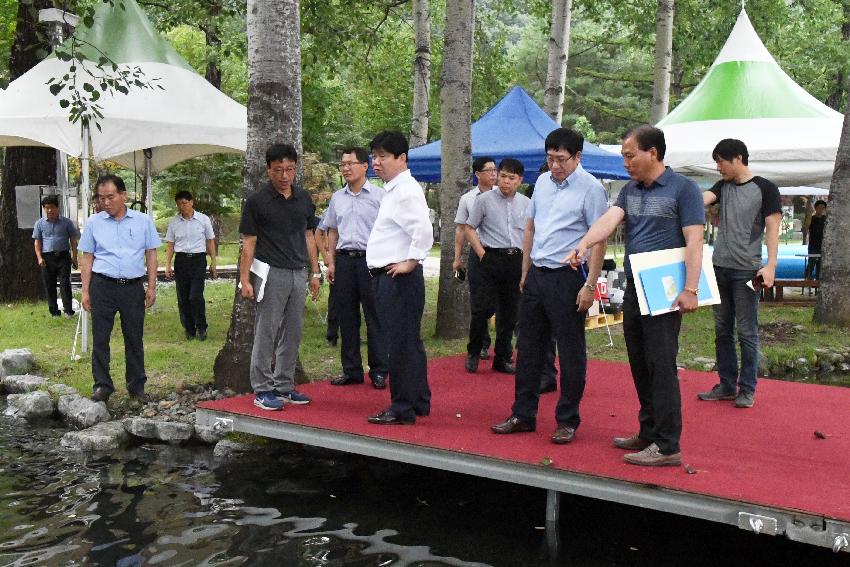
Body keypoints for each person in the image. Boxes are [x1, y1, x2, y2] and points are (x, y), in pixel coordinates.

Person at [566, 125, 705, 466]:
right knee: (640, 364)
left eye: (630, 155)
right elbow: (609, 221)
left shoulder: (684, 189)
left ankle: (668, 446)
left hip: (666, 292)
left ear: (652, 153)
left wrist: (690, 288)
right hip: (634, 287)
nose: (625, 162)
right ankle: (648, 431)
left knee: (661, 366)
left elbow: (695, 240)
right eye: (624, 157)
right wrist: (584, 244)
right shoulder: (630, 190)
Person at [491, 128, 608, 445]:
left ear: (578, 157)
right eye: (550, 158)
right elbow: (531, 226)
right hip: (537, 275)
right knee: (528, 348)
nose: (555, 165)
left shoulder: (591, 189)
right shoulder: (542, 182)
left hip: (567, 277)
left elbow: (599, 240)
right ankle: (522, 414)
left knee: (570, 351)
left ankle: (567, 419)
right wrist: (525, 268)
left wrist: (589, 284)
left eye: (561, 159)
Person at [697, 139, 781, 409]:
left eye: (721, 161)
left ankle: (747, 389)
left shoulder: (765, 188)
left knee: (747, 331)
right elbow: (701, 201)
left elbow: (772, 228)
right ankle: (725, 384)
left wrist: (770, 266)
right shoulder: (723, 187)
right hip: (719, 267)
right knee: (722, 330)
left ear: (738, 159)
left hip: (746, 269)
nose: (717, 167)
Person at [239, 143, 322, 411]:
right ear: (268, 170)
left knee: (293, 330)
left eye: (289, 169)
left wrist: (315, 271)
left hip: (299, 271)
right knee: (267, 329)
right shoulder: (257, 201)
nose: (285, 176)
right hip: (271, 271)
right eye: (278, 170)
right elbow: (249, 242)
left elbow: (310, 236)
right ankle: (262, 388)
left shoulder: (303, 198)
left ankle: (284, 385)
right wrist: (244, 279)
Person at [365, 130, 434, 425]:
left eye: (383, 156)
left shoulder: (405, 190)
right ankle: (418, 400)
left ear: (402, 158)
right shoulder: (394, 189)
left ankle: (402, 407)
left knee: (399, 344)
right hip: (389, 276)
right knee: (408, 341)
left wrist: (412, 260)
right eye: (374, 156)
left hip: (397, 278)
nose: (376, 163)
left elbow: (423, 230)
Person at [79, 174, 161, 403]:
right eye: (101, 198)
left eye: (110, 197)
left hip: (132, 287)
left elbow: (151, 253)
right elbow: (87, 257)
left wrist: (152, 286)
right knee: (101, 338)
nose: (105, 202)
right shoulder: (94, 222)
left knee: (134, 337)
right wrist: (85, 291)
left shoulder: (143, 221)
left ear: (123, 195)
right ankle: (102, 385)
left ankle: (136, 386)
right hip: (102, 285)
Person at [323, 147, 388, 390]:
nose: (346, 168)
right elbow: (332, 230)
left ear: (365, 166)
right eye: (343, 164)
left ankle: (379, 370)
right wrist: (331, 262)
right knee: (346, 317)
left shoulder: (380, 196)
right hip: (344, 261)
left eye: (351, 163)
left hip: (371, 261)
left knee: (375, 316)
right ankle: (351, 370)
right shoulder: (337, 197)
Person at [463, 158, 530, 374]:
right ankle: (474, 351)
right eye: (502, 176)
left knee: (510, 312)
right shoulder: (483, 200)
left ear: (520, 180)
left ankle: (503, 357)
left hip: (515, 260)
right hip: (490, 258)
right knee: (482, 309)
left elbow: (530, 234)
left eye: (511, 178)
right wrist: (482, 254)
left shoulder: (526, 203)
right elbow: (469, 228)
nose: (505, 182)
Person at [453, 156, 497, 363]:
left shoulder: (503, 196)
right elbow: (461, 229)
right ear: (477, 174)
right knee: (479, 303)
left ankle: (505, 348)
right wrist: (457, 258)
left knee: (502, 302)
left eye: (495, 170)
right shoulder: (468, 199)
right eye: (488, 170)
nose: (493, 174)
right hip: (478, 255)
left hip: (501, 255)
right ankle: (480, 345)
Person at [164, 191, 217, 341]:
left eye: (185, 203)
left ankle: (201, 326)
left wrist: (213, 261)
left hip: (198, 260)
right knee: (183, 297)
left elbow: (210, 241)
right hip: (181, 260)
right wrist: (167, 265)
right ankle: (189, 329)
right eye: (179, 204)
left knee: (195, 296)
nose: (182, 207)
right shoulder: (174, 222)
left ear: (192, 202)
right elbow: (170, 245)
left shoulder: (203, 219)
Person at [32, 195, 79, 317]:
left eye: (52, 208)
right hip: (47, 258)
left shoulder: (66, 222)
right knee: (49, 285)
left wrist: (75, 256)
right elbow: (37, 242)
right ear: (43, 208)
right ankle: (54, 312)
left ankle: (68, 310)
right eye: (47, 208)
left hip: (63, 256)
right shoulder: (40, 223)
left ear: (58, 208)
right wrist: (39, 258)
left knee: (65, 283)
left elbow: (73, 240)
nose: (49, 210)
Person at [315, 218, 341, 346]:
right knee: (335, 298)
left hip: (363, 257)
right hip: (338, 258)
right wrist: (326, 257)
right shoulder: (333, 207)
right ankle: (332, 335)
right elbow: (318, 233)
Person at [805, 199, 827, 279]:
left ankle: (818, 281)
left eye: (823, 208)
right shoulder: (811, 219)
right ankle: (807, 280)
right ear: (815, 208)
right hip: (813, 245)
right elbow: (806, 228)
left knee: (820, 266)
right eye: (819, 207)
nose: (821, 210)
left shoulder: (826, 219)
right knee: (811, 264)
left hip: (823, 246)